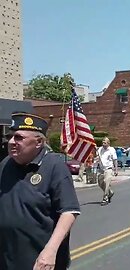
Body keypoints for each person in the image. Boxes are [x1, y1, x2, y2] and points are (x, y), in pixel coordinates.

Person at [0, 112, 80, 270]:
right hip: (7, 259)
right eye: (10, 137)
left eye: (18, 137)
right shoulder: (5, 164)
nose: (11, 142)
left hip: (39, 262)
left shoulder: (55, 166)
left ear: (38, 142)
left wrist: (50, 251)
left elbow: (69, 212)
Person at [95, 137, 118, 206]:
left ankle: (105, 199)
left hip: (109, 169)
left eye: (104, 142)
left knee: (106, 182)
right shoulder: (100, 149)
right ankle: (110, 193)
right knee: (100, 183)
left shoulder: (111, 150)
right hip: (101, 169)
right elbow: (97, 157)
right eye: (102, 142)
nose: (103, 143)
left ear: (108, 143)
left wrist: (116, 170)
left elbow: (115, 160)